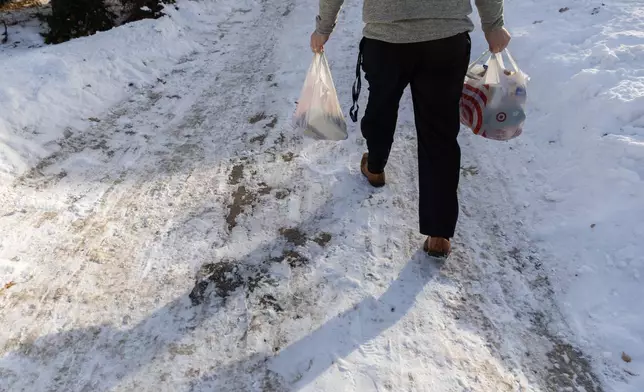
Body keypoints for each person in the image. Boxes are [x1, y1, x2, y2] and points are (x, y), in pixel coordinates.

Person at [311, 0, 511, 259]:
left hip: (386, 40)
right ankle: (439, 233)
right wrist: (493, 25)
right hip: (446, 37)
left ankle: (374, 166)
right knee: (439, 132)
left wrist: (323, 28)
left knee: (381, 109)